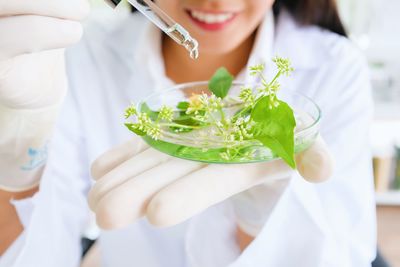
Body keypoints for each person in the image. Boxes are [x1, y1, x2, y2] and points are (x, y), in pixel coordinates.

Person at [0, 0, 376, 266]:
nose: (215, 1)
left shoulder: (334, 67)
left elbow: (347, 256)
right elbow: (39, 253)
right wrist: (20, 152)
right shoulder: (85, 56)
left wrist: (262, 218)